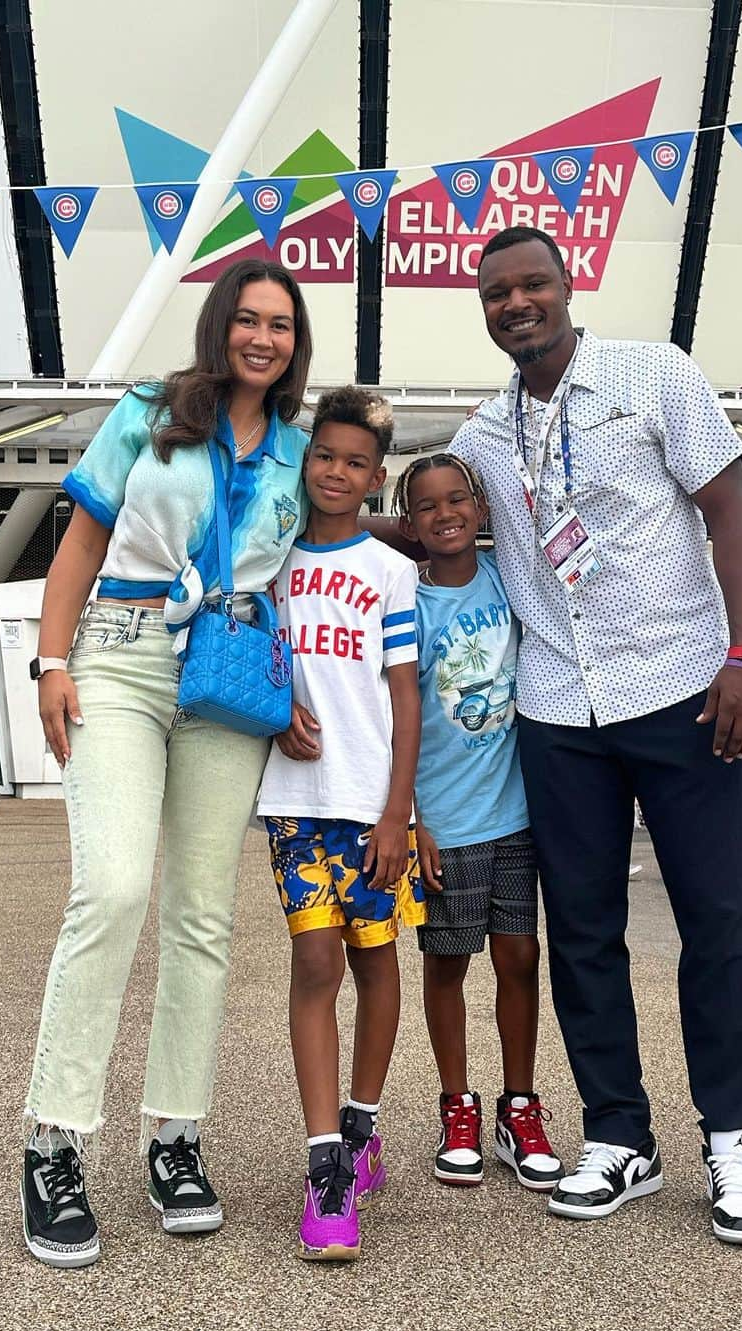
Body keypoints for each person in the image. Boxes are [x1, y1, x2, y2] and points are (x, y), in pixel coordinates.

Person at [447, 225, 742, 1245]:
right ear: (486, 309)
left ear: (566, 284)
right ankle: (619, 1134)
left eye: (532, 285)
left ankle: (734, 1142)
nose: (517, 305)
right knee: (582, 929)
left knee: (717, 920)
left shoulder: (655, 375)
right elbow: (437, 530)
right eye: (497, 293)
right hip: (559, 709)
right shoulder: (481, 438)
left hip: (684, 688)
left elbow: (730, 511)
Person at [20, 258, 312, 1269]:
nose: (261, 338)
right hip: (123, 658)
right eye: (248, 318)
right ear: (220, 324)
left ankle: (174, 1137)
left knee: (202, 916)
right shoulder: (151, 410)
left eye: (280, 324)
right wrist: (52, 661)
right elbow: (82, 538)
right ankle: (53, 1141)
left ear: (294, 343)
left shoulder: (296, 452)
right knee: (110, 887)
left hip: (230, 682)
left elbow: (331, 558)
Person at [258, 387, 424, 1263]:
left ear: (377, 478)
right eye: (325, 455)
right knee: (315, 959)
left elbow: (405, 695)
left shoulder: (390, 573)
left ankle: (363, 1126)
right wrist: (275, 702)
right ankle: (325, 1161)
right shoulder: (272, 562)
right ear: (305, 458)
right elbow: (257, 654)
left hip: (371, 804)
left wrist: (400, 809)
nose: (336, 472)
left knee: (375, 958)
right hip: (296, 796)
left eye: (356, 462)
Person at [394, 451, 560, 1192]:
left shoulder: (508, 582)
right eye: (426, 506)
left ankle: (518, 1105)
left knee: (520, 958)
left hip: (517, 813)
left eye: (458, 499)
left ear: (483, 510)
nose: (445, 514)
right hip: (445, 822)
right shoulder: (409, 604)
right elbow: (396, 720)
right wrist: (412, 819)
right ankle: (455, 1105)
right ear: (409, 524)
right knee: (448, 961)